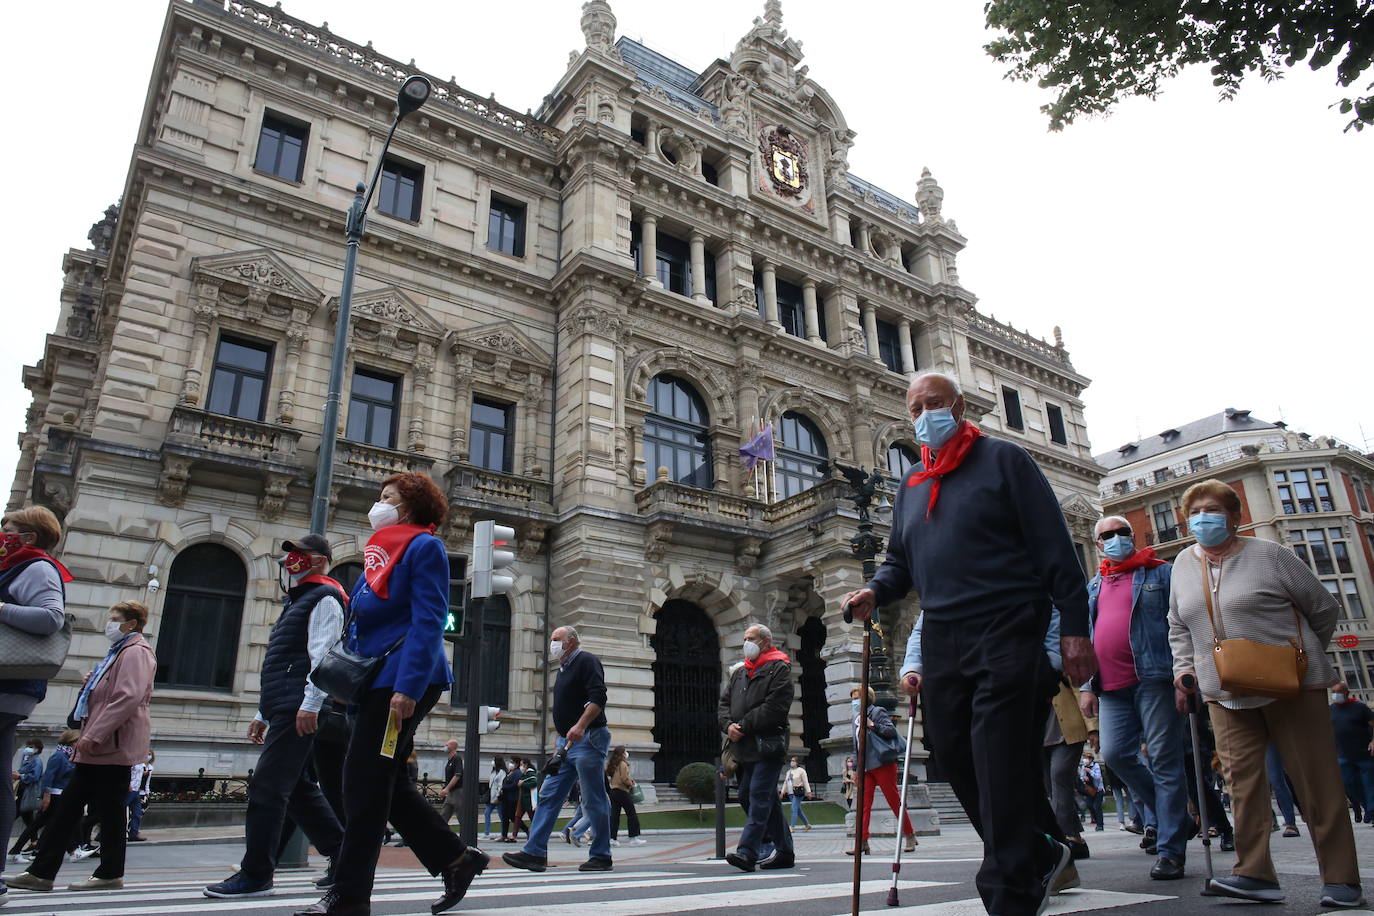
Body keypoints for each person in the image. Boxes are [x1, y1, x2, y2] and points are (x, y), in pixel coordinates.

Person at [846, 371, 1094, 916]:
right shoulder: (911, 483)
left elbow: (1057, 549)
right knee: (956, 756)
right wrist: (874, 590)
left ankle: (1008, 890)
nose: (923, 415)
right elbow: (899, 562)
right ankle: (1039, 849)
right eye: (914, 408)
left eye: (933, 404)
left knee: (997, 755)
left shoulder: (1005, 461)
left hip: (1007, 625)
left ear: (958, 407)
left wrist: (1075, 629)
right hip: (942, 635)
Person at [294, 473, 486, 916]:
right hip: (374, 683)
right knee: (386, 783)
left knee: (361, 786)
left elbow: (428, 621)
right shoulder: (379, 555)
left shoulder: (424, 547)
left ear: (410, 508)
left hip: (402, 683)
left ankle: (349, 898)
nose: (378, 505)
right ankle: (456, 858)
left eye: (387, 498)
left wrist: (408, 688)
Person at [1170, 478, 1362, 908]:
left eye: (1214, 509)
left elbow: (1322, 608)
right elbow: (1178, 625)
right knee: (1242, 783)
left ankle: (1341, 878)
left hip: (1291, 685)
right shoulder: (1183, 564)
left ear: (1236, 517)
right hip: (1222, 689)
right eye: (1195, 511)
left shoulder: (1270, 556)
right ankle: (1253, 872)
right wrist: (1184, 669)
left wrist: (1301, 655)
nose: (1204, 518)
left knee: (1316, 781)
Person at [206, 533, 347, 898]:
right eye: (290, 555)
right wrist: (262, 711)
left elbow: (324, 656)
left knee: (268, 788)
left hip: (298, 706)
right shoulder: (299, 600)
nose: (291, 561)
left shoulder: (325, 598)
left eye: (300, 555)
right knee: (297, 789)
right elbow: (282, 661)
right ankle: (345, 856)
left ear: (319, 560)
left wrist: (311, 704)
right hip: (285, 705)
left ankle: (256, 874)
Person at [9, 600, 155, 894]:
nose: (109, 623)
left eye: (115, 618)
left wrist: (93, 736)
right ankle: (50, 872)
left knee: (94, 810)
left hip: (109, 744)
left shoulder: (135, 653)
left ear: (131, 624)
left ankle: (64, 872)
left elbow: (127, 698)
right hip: (102, 745)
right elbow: (109, 695)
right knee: (84, 810)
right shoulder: (119, 652)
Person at [1077, 515, 1190, 880]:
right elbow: (1090, 634)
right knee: (1114, 754)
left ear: (1133, 535)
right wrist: (1085, 687)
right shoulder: (1095, 584)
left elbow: (1183, 622)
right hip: (1110, 686)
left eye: (1121, 532)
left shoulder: (1162, 574)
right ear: (1097, 545)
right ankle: (1175, 816)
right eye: (1106, 535)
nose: (1114, 539)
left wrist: (1183, 672)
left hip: (1154, 678)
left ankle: (1171, 850)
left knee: (1163, 758)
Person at [0, 505, 71, 904]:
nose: (2, 533)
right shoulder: (17, 565)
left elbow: (50, 617)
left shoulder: (37, 567)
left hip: (8, 685)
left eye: (7, 528)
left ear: (29, 536)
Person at [502, 625, 613, 874]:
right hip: (566, 743)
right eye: (552, 639)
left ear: (571, 641)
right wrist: (561, 737)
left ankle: (601, 855)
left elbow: (598, 697)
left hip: (588, 738)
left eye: (557, 639)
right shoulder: (563, 668)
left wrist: (581, 725)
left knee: (593, 797)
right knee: (548, 795)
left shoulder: (587, 661)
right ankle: (534, 853)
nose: (552, 644)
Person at [717, 623, 795, 872]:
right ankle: (784, 850)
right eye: (744, 638)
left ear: (765, 641)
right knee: (751, 796)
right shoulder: (741, 672)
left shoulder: (780, 668)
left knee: (759, 795)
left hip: (767, 744)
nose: (745, 643)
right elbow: (724, 704)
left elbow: (775, 707)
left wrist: (743, 725)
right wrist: (728, 725)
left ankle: (747, 851)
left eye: (750, 638)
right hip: (743, 746)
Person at [848, 686, 917, 856]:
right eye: (853, 699)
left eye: (857, 697)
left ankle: (909, 835)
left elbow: (890, 730)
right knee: (863, 805)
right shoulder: (855, 719)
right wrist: (856, 769)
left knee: (894, 800)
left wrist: (872, 725)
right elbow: (855, 747)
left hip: (882, 764)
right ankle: (862, 842)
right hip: (865, 767)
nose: (854, 702)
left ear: (866, 698)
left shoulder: (877, 712)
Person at [9, 730, 77, 862]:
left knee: (40, 824)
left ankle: (26, 849)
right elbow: (48, 777)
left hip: (57, 794)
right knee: (53, 823)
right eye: (76, 741)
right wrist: (46, 795)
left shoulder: (67, 756)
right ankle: (70, 850)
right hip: (53, 795)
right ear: (71, 742)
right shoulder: (59, 756)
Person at [1330, 684, 1374, 827]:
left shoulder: (1360, 708)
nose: (1336, 694)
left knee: (1369, 785)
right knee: (1348, 784)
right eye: (1333, 692)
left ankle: (1371, 811)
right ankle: (1367, 806)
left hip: (1363, 754)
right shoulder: (1331, 710)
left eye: (1339, 692)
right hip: (1343, 755)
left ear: (1346, 692)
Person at [606, 746, 644, 846]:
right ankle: (633, 837)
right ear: (622, 754)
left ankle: (612, 838)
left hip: (613, 791)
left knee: (614, 816)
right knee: (631, 814)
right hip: (622, 791)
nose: (626, 753)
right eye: (625, 751)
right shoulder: (623, 764)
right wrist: (631, 783)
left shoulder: (613, 764)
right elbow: (624, 778)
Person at [12, 738, 43, 855]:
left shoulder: (37, 761)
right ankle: (34, 842)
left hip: (28, 793)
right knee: (29, 819)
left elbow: (34, 776)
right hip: (23, 791)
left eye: (31, 746)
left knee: (14, 814)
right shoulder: (27, 759)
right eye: (28, 745)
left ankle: (20, 848)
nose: (28, 748)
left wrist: (21, 776)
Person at [126, 750, 153, 842]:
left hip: (137, 790)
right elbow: (127, 773)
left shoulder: (142, 764)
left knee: (137, 813)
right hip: (129, 790)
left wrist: (146, 791)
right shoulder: (132, 761)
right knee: (119, 812)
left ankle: (133, 833)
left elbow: (144, 776)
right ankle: (102, 834)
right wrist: (127, 784)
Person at [781, 756, 812, 831]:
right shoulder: (789, 772)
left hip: (798, 792)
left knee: (793, 808)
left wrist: (808, 792)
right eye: (791, 761)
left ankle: (792, 826)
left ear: (797, 762)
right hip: (791, 793)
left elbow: (805, 782)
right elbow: (786, 782)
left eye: (794, 761)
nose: (792, 762)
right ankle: (807, 824)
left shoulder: (801, 771)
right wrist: (782, 792)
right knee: (798, 810)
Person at [437, 739, 464, 828]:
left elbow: (457, 775)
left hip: (458, 792)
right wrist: (445, 789)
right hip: (451, 793)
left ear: (452, 747)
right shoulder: (450, 760)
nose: (445, 746)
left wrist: (447, 789)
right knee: (444, 815)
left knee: (461, 815)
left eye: (447, 744)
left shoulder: (457, 758)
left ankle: (465, 836)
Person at [484, 757, 505, 839]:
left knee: (501, 815)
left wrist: (498, 795)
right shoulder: (493, 771)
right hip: (491, 797)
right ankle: (486, 832)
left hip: (498, 797)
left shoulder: (501, 772)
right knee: (487, 812)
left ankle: (503, 833)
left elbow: (501, 784)